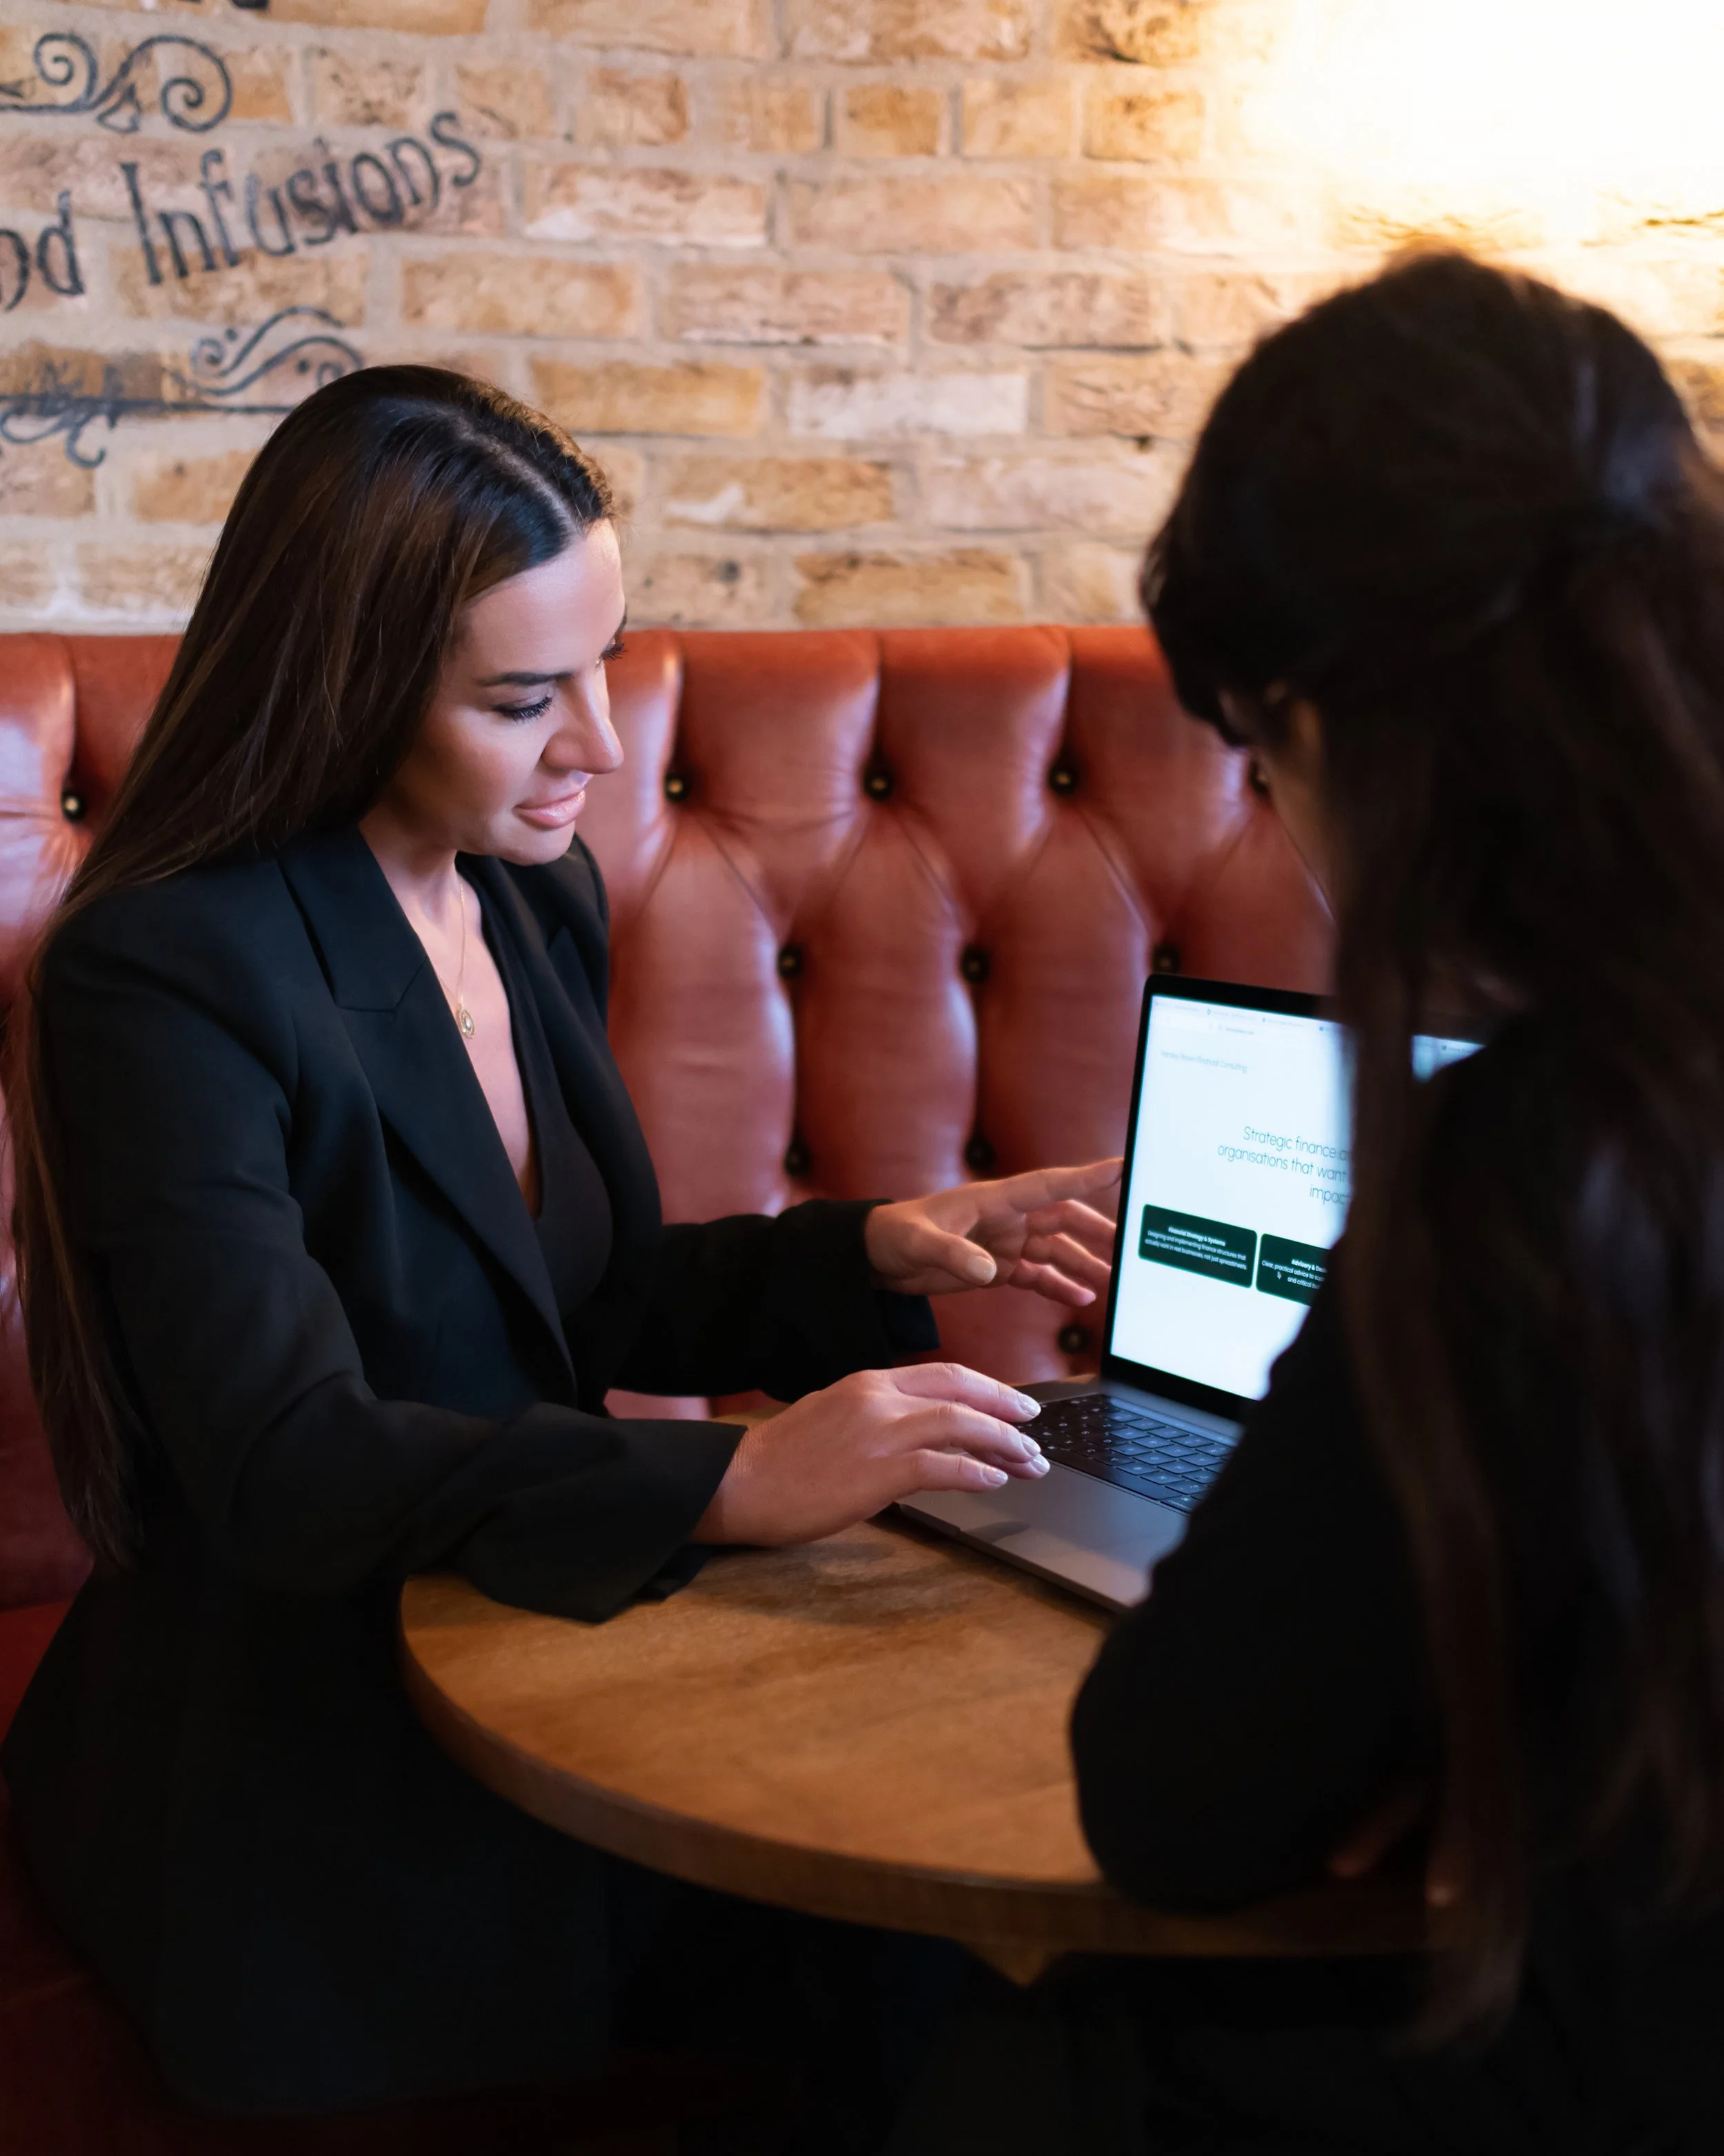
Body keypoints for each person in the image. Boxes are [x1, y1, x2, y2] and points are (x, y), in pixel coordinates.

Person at [0, 367, 1120, 2121]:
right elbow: (286, 1463)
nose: (599, 744)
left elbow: (567, 1306)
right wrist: (727, 1490)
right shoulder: (167, 969)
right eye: (526, 697)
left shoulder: (527, 887)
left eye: (603, 661)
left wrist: (873, 1252)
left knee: (971, 1972)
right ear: (350, 688)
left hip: (553, 1631)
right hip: (298, 1721)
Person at [1068, 252, 1724, 2153]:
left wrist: (1451, 1734)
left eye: (1262, 759)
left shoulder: (1537, 1162)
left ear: (1337, 726)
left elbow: (1171, 1796)